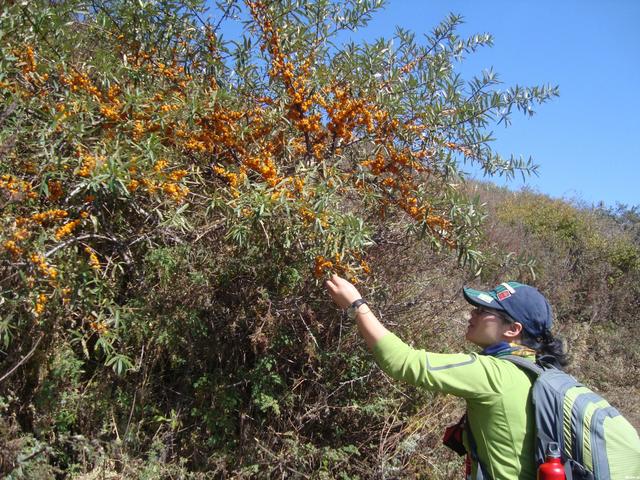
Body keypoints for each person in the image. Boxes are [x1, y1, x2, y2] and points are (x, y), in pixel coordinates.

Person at [324, 274, 568, 480]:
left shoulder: (493, 373)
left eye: (484, 311)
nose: (471, 314)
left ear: (513, 329)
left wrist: (356, 305)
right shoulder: (542, 372)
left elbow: (403, 361)